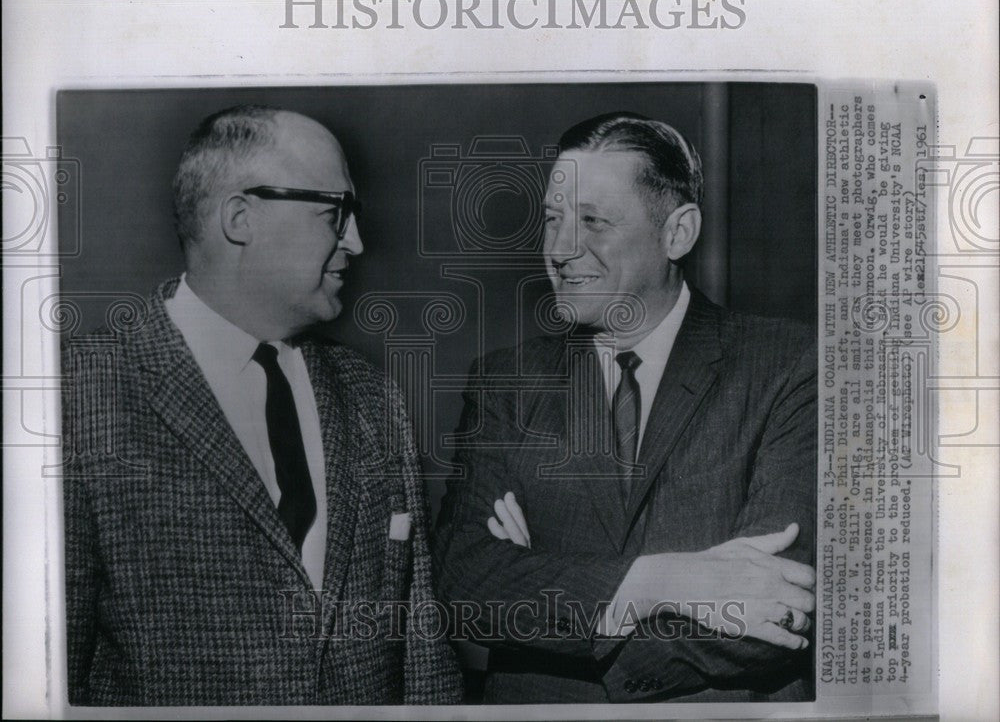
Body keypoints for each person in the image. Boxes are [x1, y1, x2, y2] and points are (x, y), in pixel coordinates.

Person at [62, 106, 462, 705]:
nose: (356, 241)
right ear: (240, 218)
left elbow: (423, 657)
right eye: (335, 213)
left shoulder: (372, 397)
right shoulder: (77, 392)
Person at [433, 111, 817, 703]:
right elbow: (466, 587)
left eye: (593, 222)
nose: (560, 250)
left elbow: (776, 615)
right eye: (553, 220)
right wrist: (659, 582)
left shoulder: (789, 365)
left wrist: (549, 583)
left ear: (678, 233)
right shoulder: (506, 382)